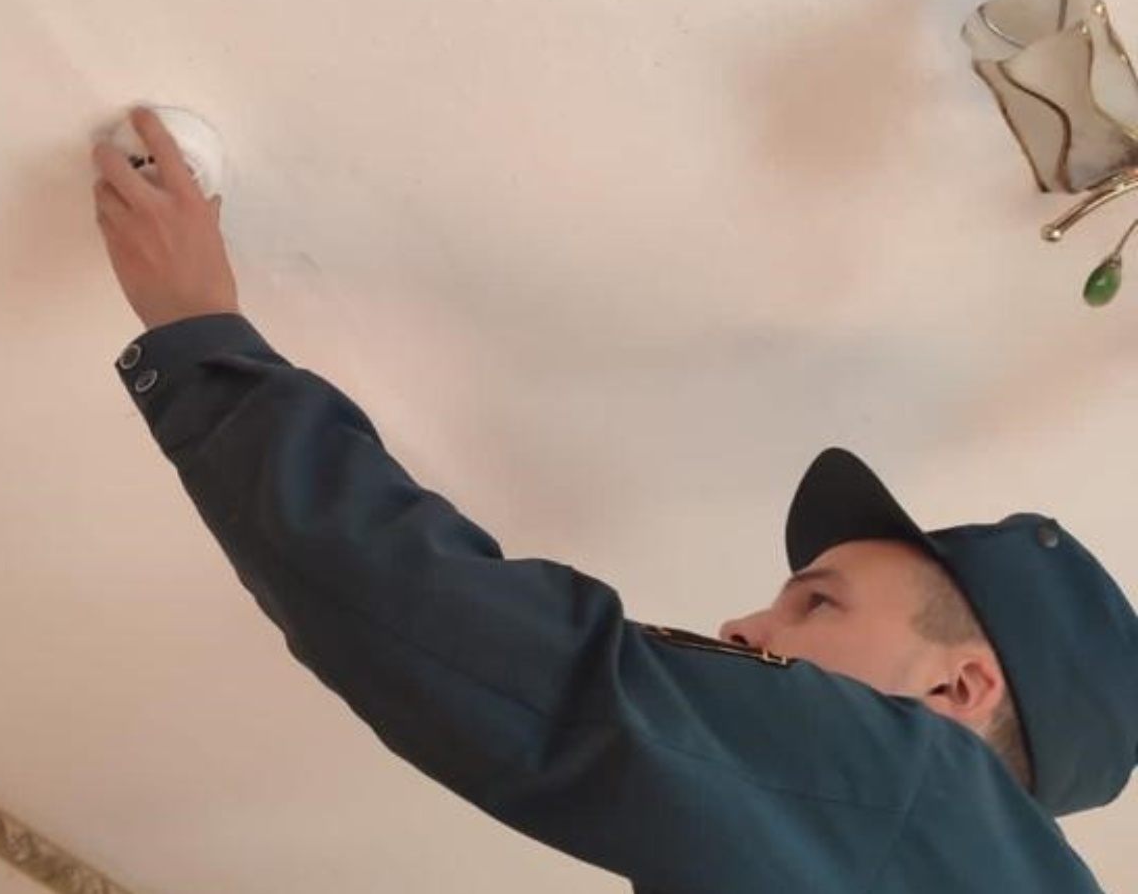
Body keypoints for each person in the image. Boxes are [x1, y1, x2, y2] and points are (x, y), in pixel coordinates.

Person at [92, 106, 1138, 892]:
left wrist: (200, 335)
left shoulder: (911, 785)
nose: (741, 627)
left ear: (958, 689)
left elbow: (469, 642)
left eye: (817, 602)